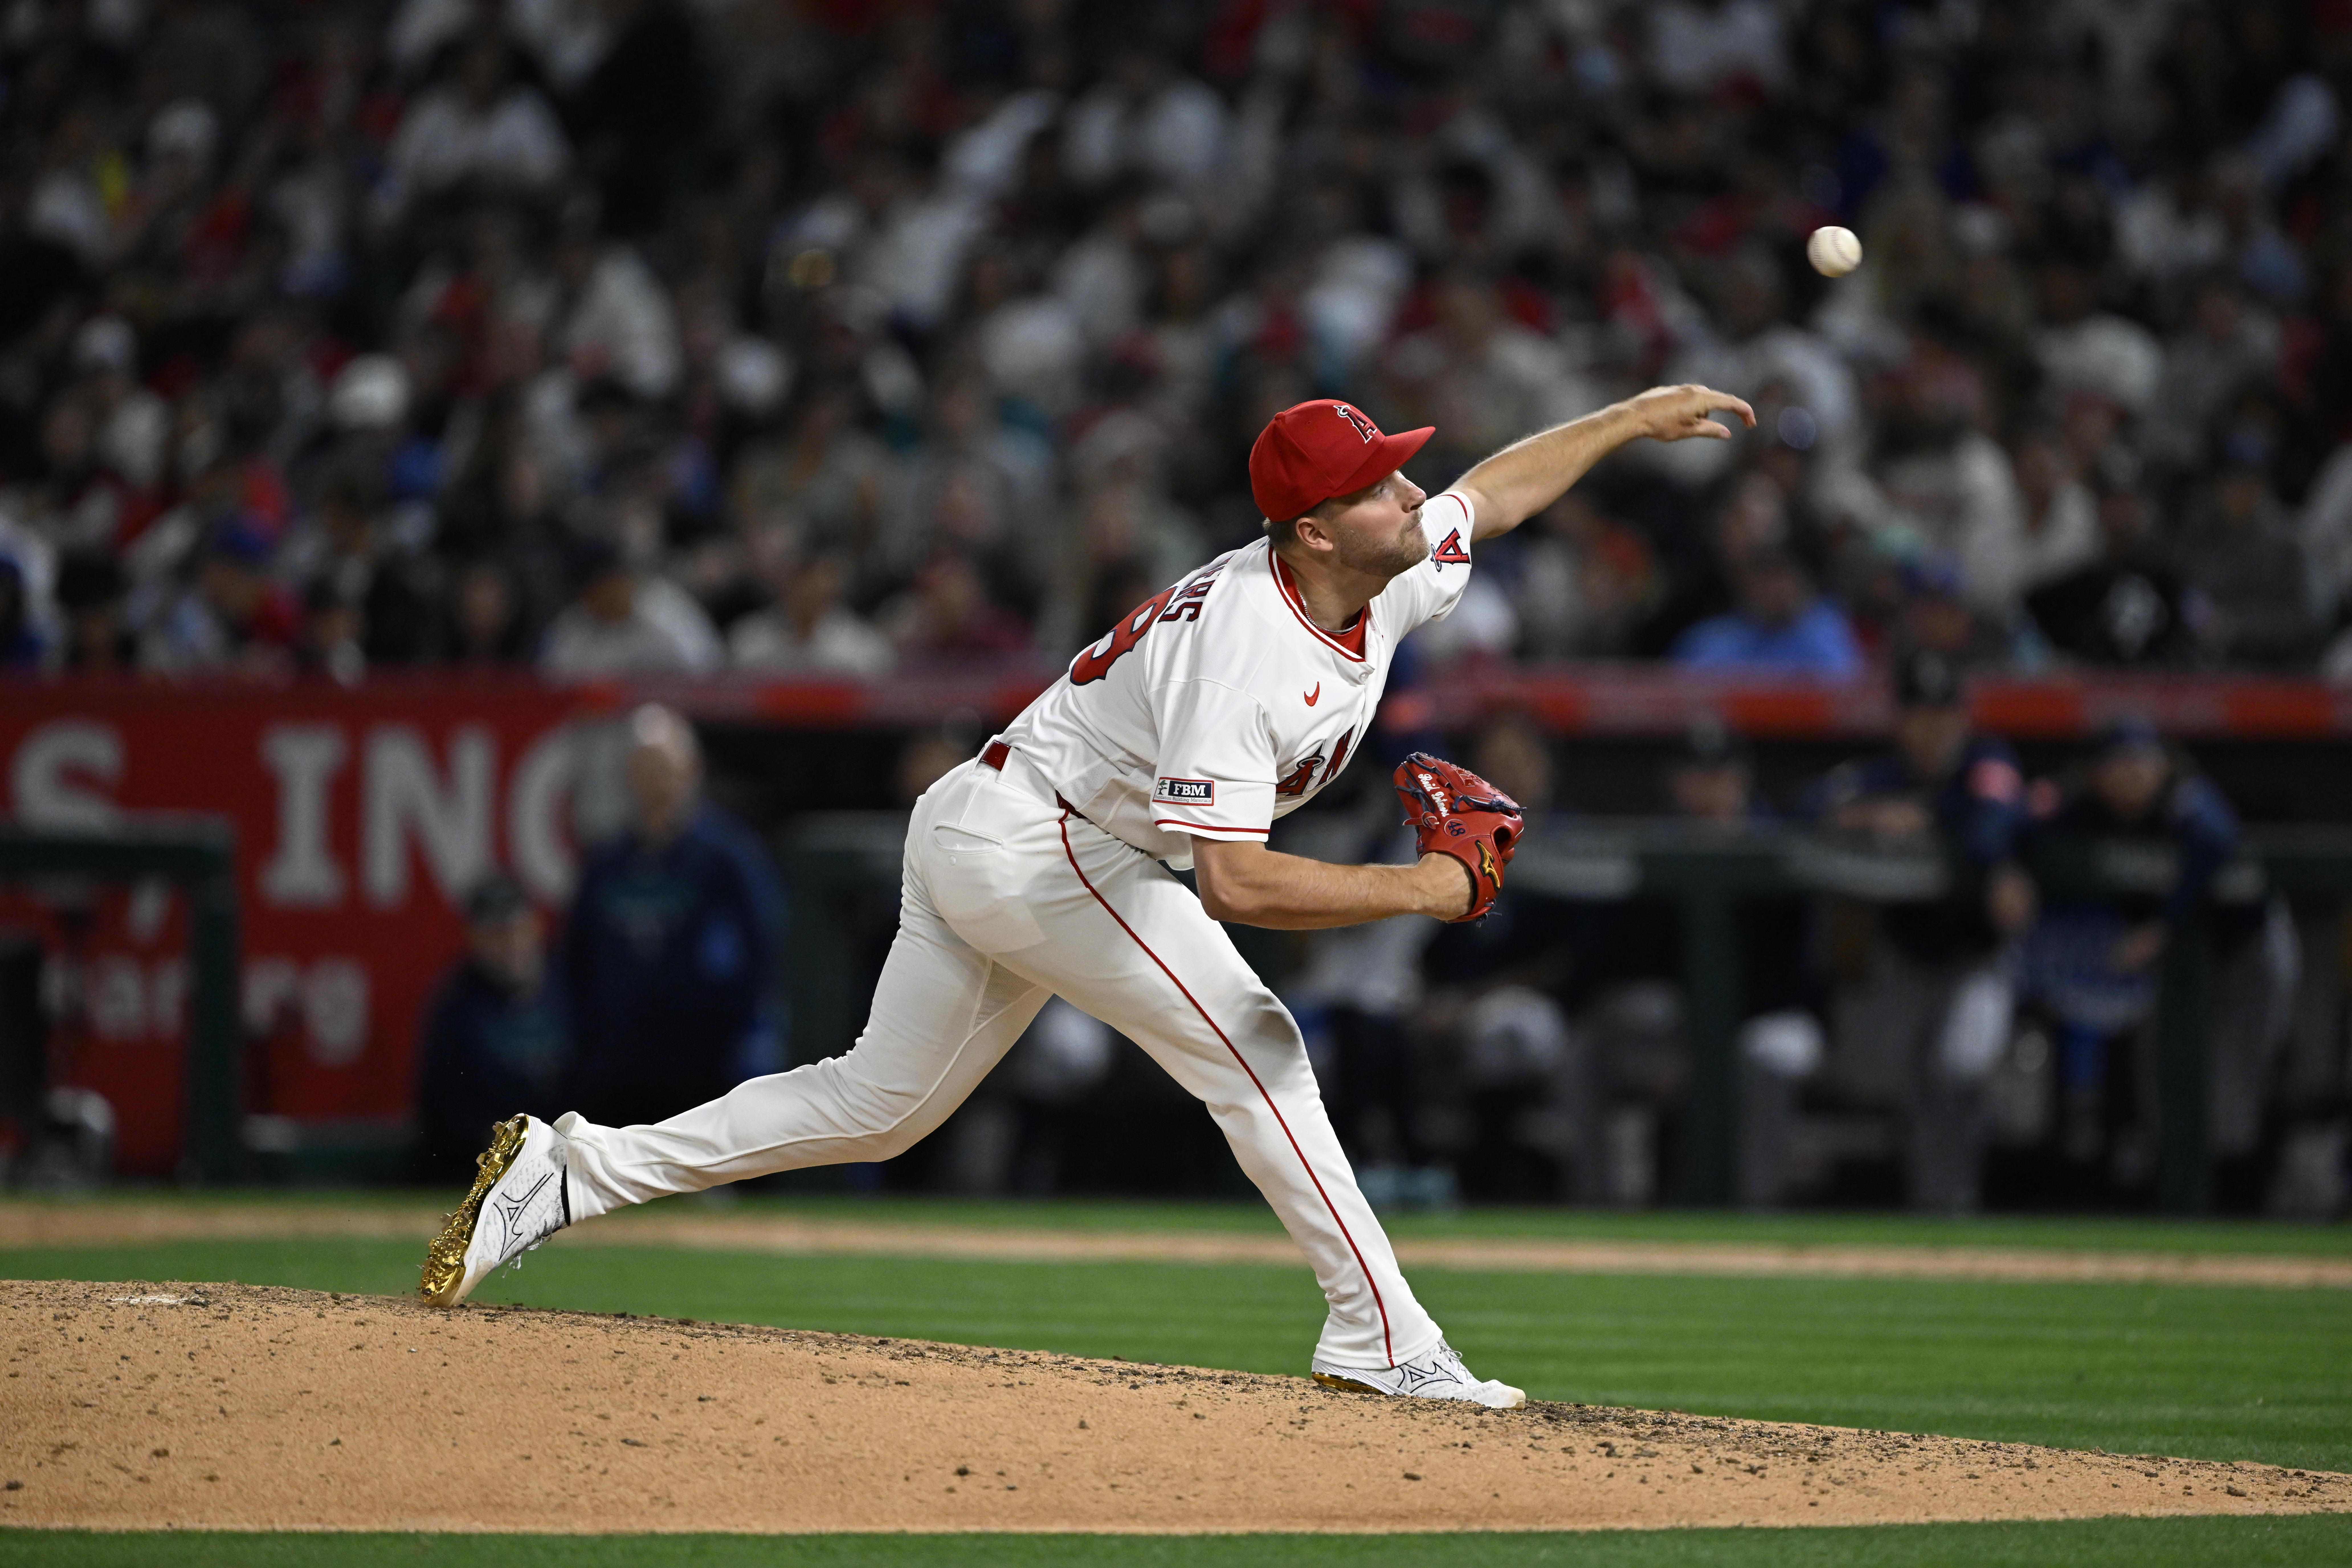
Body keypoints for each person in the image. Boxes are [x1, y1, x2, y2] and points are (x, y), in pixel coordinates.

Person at [424, 383, 1756, 1409]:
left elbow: (1493, 492)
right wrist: (1416, 890)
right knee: (1259, 1045)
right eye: (1371, 482)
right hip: (1037, 841)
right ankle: (1386, 1340)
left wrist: (1635, 417)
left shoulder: (1379, 564)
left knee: (875, 1107)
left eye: (1391, 468)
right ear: (1308, 526)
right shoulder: (1247, 647)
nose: (1404, 490)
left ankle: (566, 1172)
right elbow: (1230, 882)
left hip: (1004, 823)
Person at [1781, 650, 2037, 1212]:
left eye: (1944, 714)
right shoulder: (1883, 776)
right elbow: (1808, 808)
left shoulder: (1987, 764)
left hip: (1976, 956)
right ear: (1901, 720)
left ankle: (1956, 1202)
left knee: (1963, 1066)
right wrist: (1870, 816)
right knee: (1901, 1086)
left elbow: (1990, 826)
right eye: (1920, 714)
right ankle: (1932, 1207)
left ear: (1963, 719)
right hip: (1905, 954)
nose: (1932, 728)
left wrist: (1928, 816)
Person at [2019, 718, 2290, 1188]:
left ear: (2163, 764)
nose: (2131, 775)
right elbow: (2024, 826)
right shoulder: (2080, 805)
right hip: (2173, 967)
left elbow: (2216, 837)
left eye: (2142, 762)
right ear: (2097, 772)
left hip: (2245, 948)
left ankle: (2252, 1191)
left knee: (2238, 1085)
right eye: (2118, 764)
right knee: (2165, 1088)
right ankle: (2171, 1191)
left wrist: (2164, 924)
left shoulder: (2186, 798)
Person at [557, 705, 787, 1130]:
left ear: (691, 771)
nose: (655, 782)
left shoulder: (728, 857)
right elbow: (577, 955)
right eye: (643, 768)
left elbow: (764, 947)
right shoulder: (607, 863)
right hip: (622, 1054)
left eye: (664, 768)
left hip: (707, 1052)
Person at [414, 875, 571, 1180]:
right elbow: (440, 1105)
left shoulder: (573, 986)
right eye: (494, 934)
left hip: (572, 1157)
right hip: (483, 1167)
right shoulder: (456, 1006)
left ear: (535, 927)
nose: (509, 944)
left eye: (515, 930)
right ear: (473, 938)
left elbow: (601, 1075)